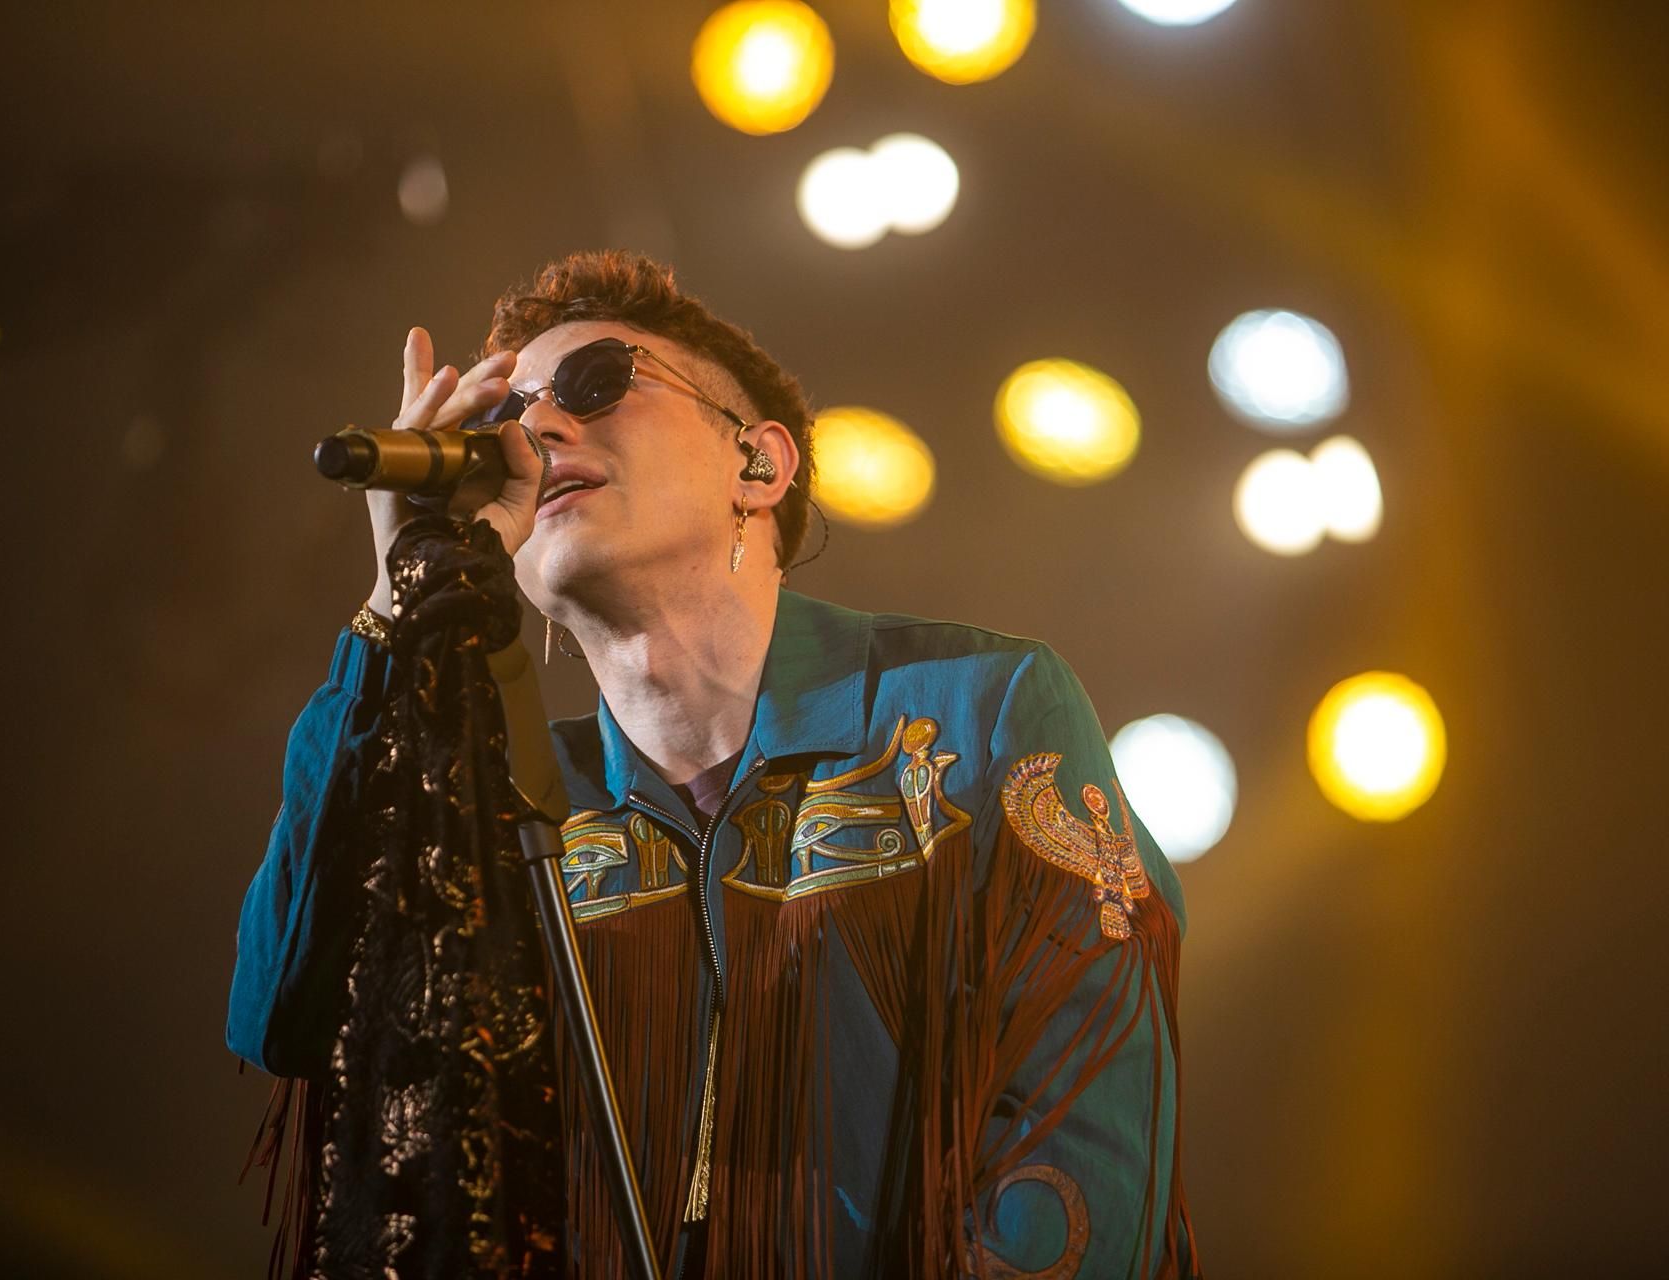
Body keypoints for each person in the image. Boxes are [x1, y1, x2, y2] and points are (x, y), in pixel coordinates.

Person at [228, 250, 1201, 1278]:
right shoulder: (503, 807)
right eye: (503, 418)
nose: (537, 429)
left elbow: (1086, 1119)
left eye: (595, 383)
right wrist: (395, 599)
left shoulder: (980, 707)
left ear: (759, 465)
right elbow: (285, 1015)